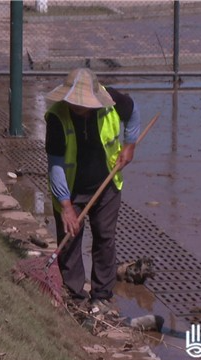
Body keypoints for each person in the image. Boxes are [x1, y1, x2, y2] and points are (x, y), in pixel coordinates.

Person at [44, 68, 140, 314]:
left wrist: (130, 145)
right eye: (75, 104)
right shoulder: (56, 118)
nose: (80, 108)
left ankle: (102, 295)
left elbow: (133, 113)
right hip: (71, 186)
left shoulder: (114, 102)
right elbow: (55, 165)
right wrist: (66, 206)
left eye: (84, 104)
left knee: (105, 238)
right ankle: (75, 295)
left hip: (106, 183)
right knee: (70, 239)